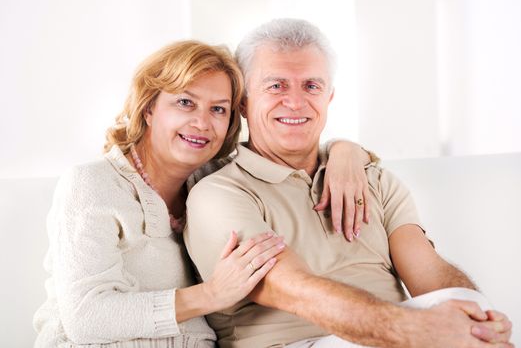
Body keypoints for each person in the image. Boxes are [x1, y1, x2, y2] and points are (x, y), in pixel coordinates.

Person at [184, 19, 514, 348]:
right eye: (277, 86)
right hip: (301, 342)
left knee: (466, 308)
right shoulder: (219, 194)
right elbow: (295, 290)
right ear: (243, 101)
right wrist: (413, 330)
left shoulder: (375, 179)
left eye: (311, 85)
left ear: (329, 96)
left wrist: (478, 318)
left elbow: (428, 270)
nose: (296, 102)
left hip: (399, 333)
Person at [33, 40, 373, 347]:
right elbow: (86, 318)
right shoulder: (91, 184)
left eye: (218, 109)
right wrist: (210, 295)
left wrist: (346, 152)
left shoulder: (215, 178)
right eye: (185, 102)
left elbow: (287, 149)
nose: (202, 123)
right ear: (149, 108)